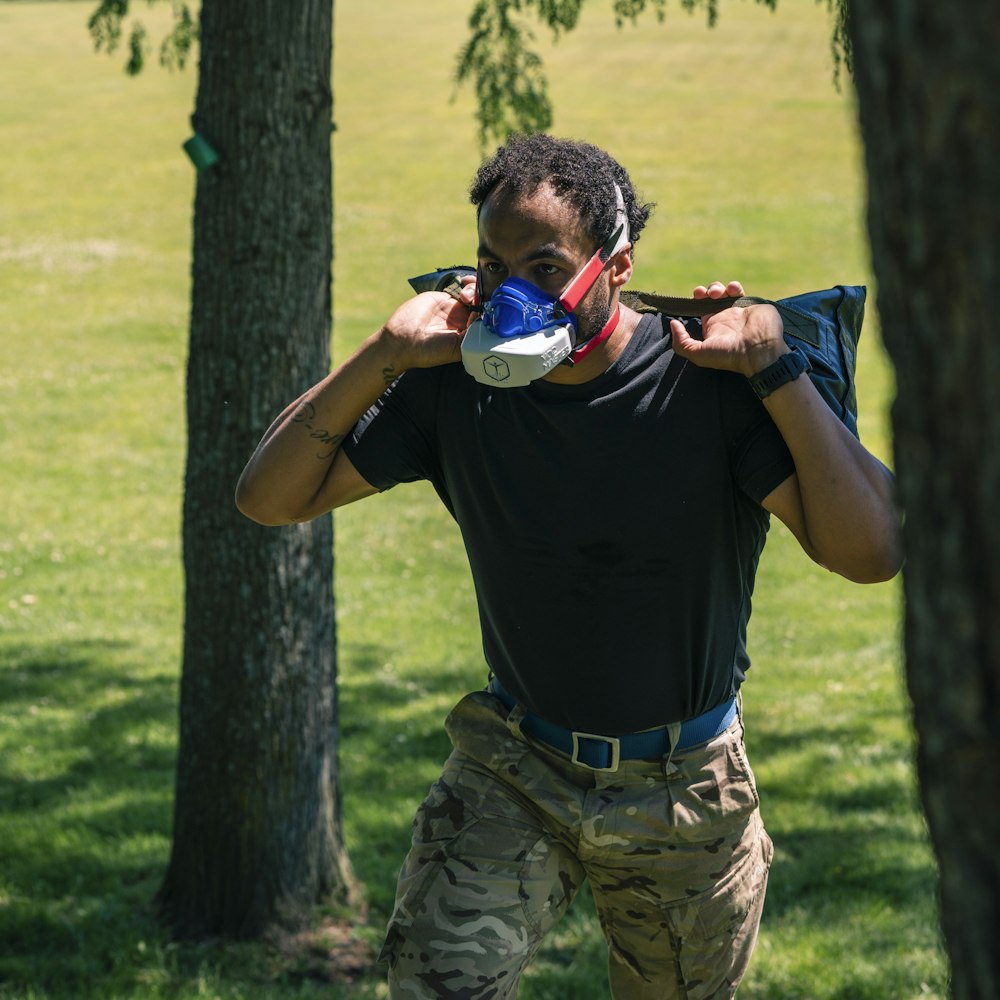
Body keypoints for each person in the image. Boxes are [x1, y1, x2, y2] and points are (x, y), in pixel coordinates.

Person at [236, 133, 902, 999]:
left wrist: (775, 369)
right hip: (515, 765)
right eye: (492, 264)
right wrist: (385, 353)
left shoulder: (708, 379)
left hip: (682, 787)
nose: (513, 293)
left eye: (545, 268)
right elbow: (269, 498)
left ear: (615, 265)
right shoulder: (453, 385)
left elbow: (872, 552)